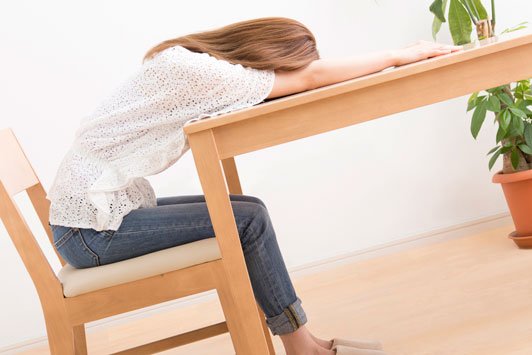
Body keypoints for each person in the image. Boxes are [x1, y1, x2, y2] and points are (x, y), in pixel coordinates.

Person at [47, 17, 462, 355]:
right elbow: (312, 78)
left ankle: (306, 342)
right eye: (286, 67)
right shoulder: (198, 71)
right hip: (92, 234)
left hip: (94, 221)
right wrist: (399, 55)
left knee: (246, 209)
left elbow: (306, 77)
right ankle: (302, 348)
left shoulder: (187, 62)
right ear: (271, 56)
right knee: (247, 219)